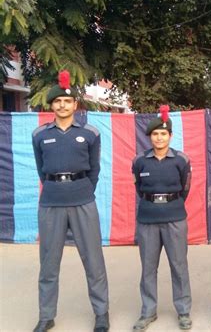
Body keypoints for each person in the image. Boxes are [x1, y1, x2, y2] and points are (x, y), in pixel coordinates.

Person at [31, 71, 109, 332]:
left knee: (94, 261)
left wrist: (83, 188)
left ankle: (101, 313)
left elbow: (95, 169)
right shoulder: (39, 134)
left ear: (75, 105)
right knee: (49, 263)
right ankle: (46, 316)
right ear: (51, 105)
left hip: (82, 200)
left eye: (67, 102)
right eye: (57, 102)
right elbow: (42, 169)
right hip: (51, 201)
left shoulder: (90, 133)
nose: (62, 105)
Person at [131, 105, 192, 331]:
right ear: (150, 136)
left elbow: (185, 188)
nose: (159, 137)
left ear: (170, 136)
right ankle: (148, 311)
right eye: (155, 134)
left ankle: (183, 310)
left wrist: (170, 202)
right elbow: (139, 187)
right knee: (148, 267)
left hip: (175, 217)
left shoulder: (181, 160)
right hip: (147, 218)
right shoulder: (140, 161)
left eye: (163, 133)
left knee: (179, 266)